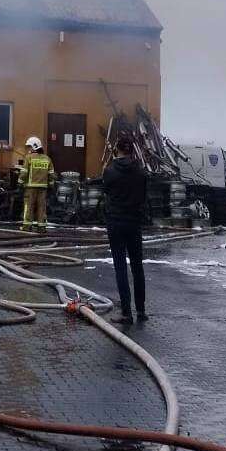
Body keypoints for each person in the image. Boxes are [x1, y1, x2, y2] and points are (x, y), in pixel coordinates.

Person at [101, 135, 149, 324]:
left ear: (117, 150)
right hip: (134, 223)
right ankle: (141, 310)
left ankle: (126, 312)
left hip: (116, 223)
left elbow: (106, 192)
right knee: (137, 266)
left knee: (120, 267)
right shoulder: (141, 172)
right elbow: (144, 197)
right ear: (131, 151)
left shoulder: (110, 171)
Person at [18, 136, 55, 232]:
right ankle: (42, 227)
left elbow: (24, 173)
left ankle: (26, 226)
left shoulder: (29, 158)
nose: (28, 149)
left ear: (34, 146)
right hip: (43, 188)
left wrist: (20, 183)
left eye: (29, 147)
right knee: (42, 207)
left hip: (30, 188)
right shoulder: (47, 159)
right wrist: (51, 185)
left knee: (29, 207)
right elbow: (51, 175)